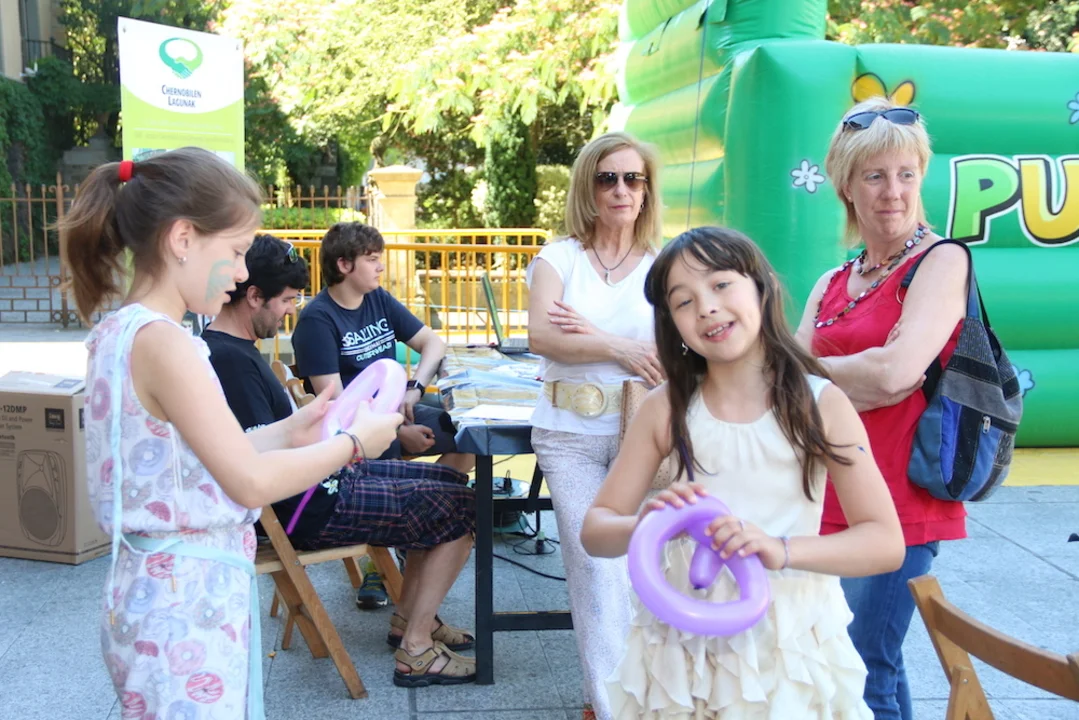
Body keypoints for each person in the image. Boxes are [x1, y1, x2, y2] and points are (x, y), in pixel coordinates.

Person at [65, 148, 402, 719]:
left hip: (161, 595)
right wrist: (351, 445)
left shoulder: (125, 332)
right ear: (182, 238)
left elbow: (195, 456)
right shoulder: (168, 344)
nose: (244, 272)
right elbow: (247, 482)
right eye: (237, 250)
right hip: (184, 604)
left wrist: (291, 431)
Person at [581, 226, 906, 718]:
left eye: (721, 284)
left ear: (762, 287)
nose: (706, 307)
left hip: (789, 645)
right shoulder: (664, 408)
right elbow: (595, 531)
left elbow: (884, 541)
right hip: (683, 645)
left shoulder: (820, 403)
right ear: (671, 323)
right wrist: (645, 524)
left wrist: (780, 549)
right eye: (683, 301)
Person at [202, 233, 478, 687]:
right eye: (285, 300)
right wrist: (342, 446)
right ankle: (416, 649)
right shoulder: (231, 362)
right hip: (310, 507)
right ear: (253, 296)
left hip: (320, 485)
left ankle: (411, 621)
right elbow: (259, 463)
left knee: (451, 489)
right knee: (462, 507)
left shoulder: (234, 350)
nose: (289, 310)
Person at [793, 97, 970, 720]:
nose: (892, 191)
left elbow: (896, 375)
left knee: (866, 667)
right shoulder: (833, 281)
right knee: (848, 664)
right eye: (874, 175)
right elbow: (782, 379)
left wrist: (826, 374)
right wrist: (861, 371)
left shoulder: (942, 261)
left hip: (901, 503)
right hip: (826, 495)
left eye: (905, 174)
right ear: (846, 185)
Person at [526, 131, 665, 720]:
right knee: (594, 566)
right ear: (588, 186)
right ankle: (614, 708)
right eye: (608, 178)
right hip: (568, 435)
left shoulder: (662, 266)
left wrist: (587, 335)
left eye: (633, 178)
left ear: (647, 189)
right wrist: (620, 346)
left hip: (644, 432)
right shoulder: (558, 259)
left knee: (643, 566)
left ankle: (634, 693)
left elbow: (674, 350)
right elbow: (542, 336)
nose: (621, 189)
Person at [291, 221, 473, 474]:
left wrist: (415, 389)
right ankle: (422, 494)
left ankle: (430, 495)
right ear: (344, 265)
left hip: (395, 412)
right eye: (372, 259)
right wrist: (397, 431)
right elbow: (338, 407)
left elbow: (432, 343)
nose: (381, 267)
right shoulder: (317, 320)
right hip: (356, 434)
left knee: (472, 435)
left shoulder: (377, 298)